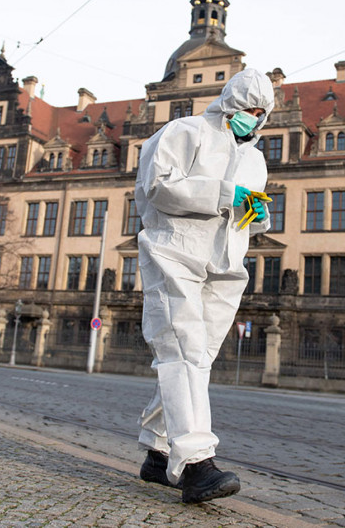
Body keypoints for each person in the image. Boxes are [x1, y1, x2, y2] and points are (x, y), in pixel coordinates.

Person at [134, 68, 274, 503]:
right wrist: (222, 193)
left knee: (199, 357)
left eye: (261, 112)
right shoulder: (185, 130)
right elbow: (156, 187)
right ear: (230, 101)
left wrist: (256, 211)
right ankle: (196, 464)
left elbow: (247, 208)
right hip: (174, 250)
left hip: (226, 263)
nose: (254, 117)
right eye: (250, 108)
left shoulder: (254, 158)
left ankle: (157, 451)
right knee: (182, 350)